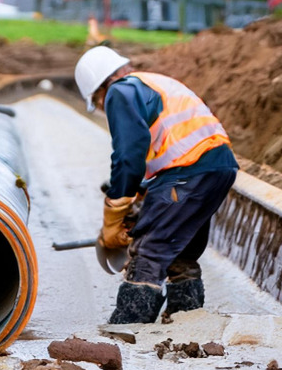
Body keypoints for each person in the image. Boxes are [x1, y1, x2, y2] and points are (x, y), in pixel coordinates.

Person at [74, 46, 239, 324]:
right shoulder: (152, 83)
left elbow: (128, 155)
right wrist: (143, 188)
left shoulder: (119, 91)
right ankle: (187, 324)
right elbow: (168, 146)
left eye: (99, 103)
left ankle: (129, 329)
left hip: (188, 171)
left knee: (149, 249)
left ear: (101, 89)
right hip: (217, 168)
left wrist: (116, 208)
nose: (104, 109)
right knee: (178, 250)